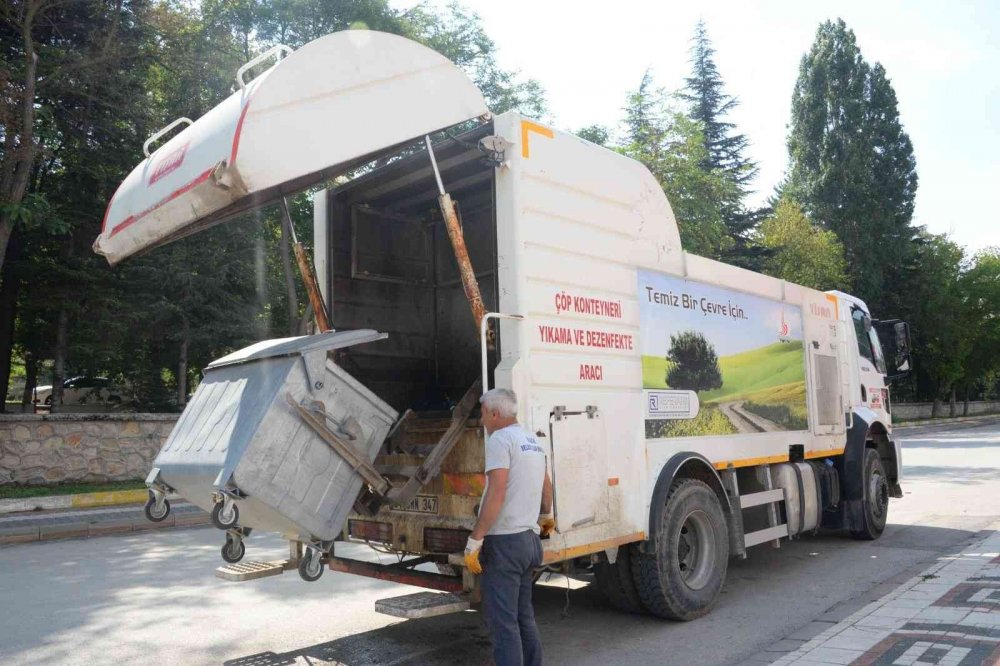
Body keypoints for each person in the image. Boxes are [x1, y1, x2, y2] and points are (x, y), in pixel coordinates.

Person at [464, 388, 554, 666]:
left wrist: (475, 539)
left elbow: (496, 492)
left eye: (482, 415)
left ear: (494, 413)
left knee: (503, 624)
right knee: (523, 616)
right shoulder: (532, 440)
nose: (482, 422)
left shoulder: (500, 440)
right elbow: (546, 488)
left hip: (505, 545)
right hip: (529, 542)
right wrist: (546, 518)